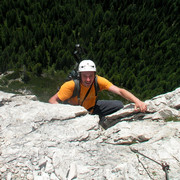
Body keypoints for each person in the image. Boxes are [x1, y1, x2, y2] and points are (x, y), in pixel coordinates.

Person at [49, 60, 147, 128]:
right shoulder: (71, 86)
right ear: (80, 75)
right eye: (85, 76)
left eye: (91, 76)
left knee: (119, 105)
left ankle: (100, 121)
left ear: (94, 74)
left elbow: (120, 91)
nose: (88, 79)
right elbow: (52, 100)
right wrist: (68, 113)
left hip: (92, 108)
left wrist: (137, 101)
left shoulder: (98, 81)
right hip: (76, 113)